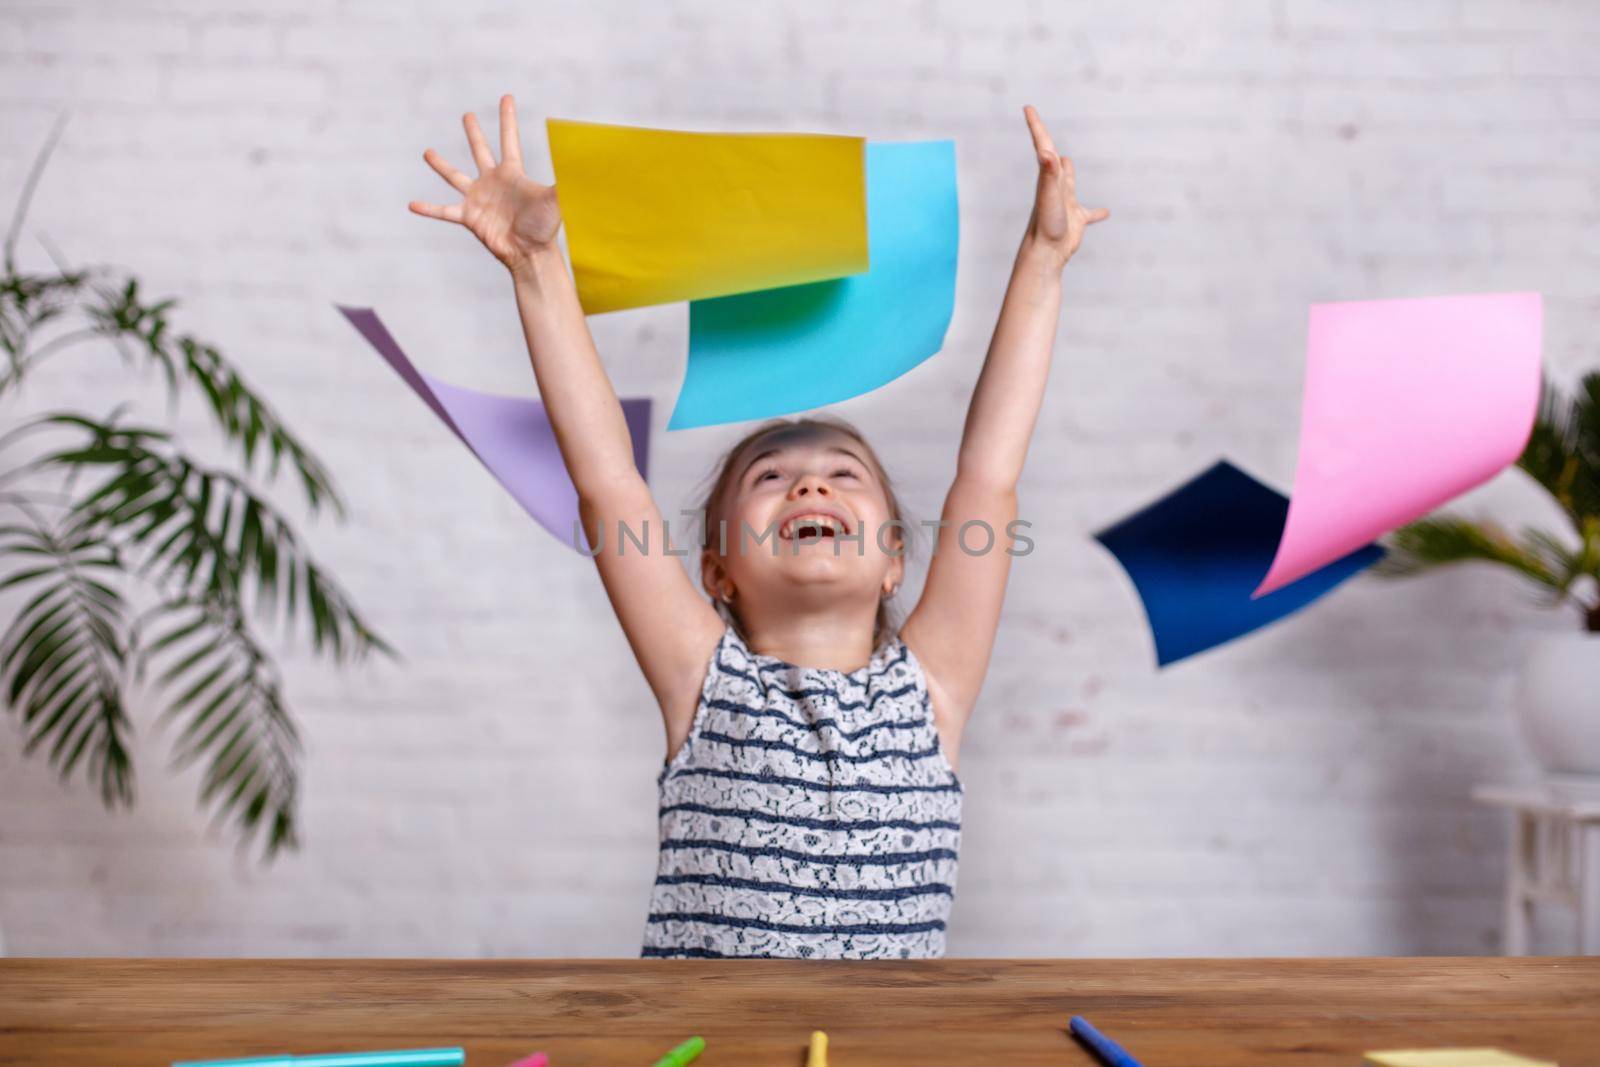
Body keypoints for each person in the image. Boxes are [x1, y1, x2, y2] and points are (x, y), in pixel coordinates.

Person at [409, 95, 1107, 958]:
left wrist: (1043, 259)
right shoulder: (702, 681)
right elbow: (610, 485)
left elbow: (988, 478)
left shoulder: (932, 692)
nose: (811, 480)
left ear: (896, 559)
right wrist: (537, 266)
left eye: (843, 475)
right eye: (771, 479)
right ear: (718, 572)